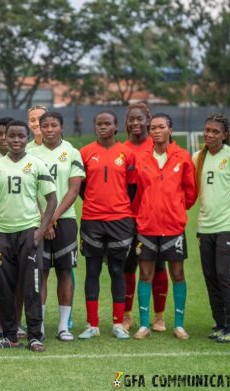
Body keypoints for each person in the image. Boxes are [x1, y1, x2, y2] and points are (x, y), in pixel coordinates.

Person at [0, 120, 57, 352]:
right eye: (11, 136)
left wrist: (41, 230)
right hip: (3, 234)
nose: (16, 140)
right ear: (5, 138)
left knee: (32, 285)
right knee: (4, 286)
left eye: (20, 136)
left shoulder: (36, 164)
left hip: (29, 232)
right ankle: (10, 336)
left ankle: (35, 336)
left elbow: (52, 198)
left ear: (27, 138)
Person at [130, 114, 197, 341]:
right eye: (153, 128)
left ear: (170, 129)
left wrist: (174, 210)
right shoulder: (142, 157)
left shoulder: (183, 157)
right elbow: (138, 193)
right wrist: (145, 212)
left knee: (177, 274)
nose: (156, 131)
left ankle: (178, 324)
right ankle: (143, 324)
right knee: (146, 274)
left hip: (173, 227)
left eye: (161, 127)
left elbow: (190, 193)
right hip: (146, 227)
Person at [78, 111, 136, 340]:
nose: (102, 127)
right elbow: (82, 188)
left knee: (116, 270)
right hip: (92, 220)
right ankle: (92, 324)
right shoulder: (85, 153)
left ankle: (118, 324)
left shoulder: (127, 154)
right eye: (98, 123)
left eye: (107, 124)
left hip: (120, 220)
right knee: (92, 271)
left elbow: (132, 188)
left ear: (115, 127)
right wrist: (96, 204)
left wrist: (116, 206)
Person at [29, 112, 84, 341]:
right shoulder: (30, 153)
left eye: (54, 125)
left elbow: (74, 188)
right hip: (36, 219)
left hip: (65, 219)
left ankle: (63, 326)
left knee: (64, 272)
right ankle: (39, 326)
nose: (49, 129)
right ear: (39, 128)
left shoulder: (72, 152)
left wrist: (53, 218)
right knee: (40, 272)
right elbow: (30, 190)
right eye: (45, 126)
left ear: (62, 126)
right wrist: (44, 219)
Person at [193, 113, 230, 343]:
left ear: (225, 135)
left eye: (215, 131)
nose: (209, 134)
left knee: (225, 276)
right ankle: (220, 323)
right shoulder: (197, 157)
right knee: (211, 276)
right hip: (205, 227)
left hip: (228, 226)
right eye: (207, 130)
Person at [122, 103, 169, 332]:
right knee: (128, 266)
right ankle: (127, 315)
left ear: (148, 121)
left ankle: (159, 316)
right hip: (128, 216)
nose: (136, 123)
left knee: (158, 266)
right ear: (126, 122)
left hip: (154, 217)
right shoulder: (122, 149)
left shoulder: (159, 146)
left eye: (140, 119)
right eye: (132, 119)